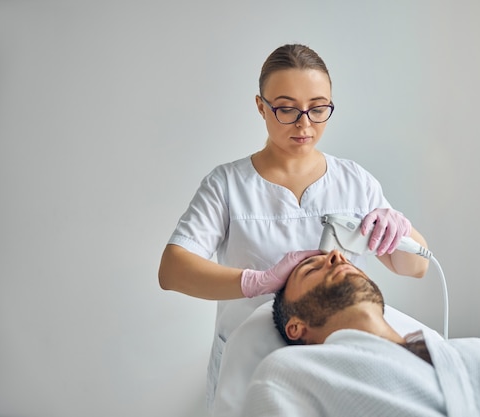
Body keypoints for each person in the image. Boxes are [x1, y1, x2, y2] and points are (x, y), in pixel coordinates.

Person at [157, 43, 429, 409]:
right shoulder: (227, 184)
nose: (305, 124)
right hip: (251, 360)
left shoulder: (355, 181)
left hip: (339, 358)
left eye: (318, 109)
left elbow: (416, 267)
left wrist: (400, 231)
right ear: (261, 107)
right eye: (286, 109)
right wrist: (258, 281)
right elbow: (172, 270)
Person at [239, 250, 480, 417]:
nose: (336, 257)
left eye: (341, 258)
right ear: (296, 326)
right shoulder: (290, 373)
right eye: (311, 268)